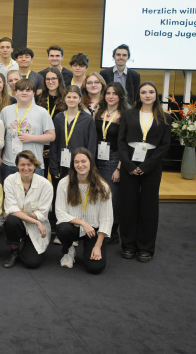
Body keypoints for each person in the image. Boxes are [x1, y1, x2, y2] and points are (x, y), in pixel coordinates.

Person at [117, 81, 171, 262]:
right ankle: (128, 244)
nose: (147, 95)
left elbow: (164, 146)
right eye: (143, 92)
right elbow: (121, 141)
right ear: (138, 95)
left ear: (156, 95)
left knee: (149, 207)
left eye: (151, 92)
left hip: (152, 164)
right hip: (129, 163)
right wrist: (129, 165)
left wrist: (146, 166)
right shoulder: (128, 114)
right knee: (128, 205)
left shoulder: (164, 116)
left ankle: (145, 247)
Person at [55, 148, 112, 273]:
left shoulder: (103, 186)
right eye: (76, 162)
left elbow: (107, 219)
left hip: (93, 230)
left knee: (95, 268)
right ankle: (69, 249)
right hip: (73, 226)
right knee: (62, 228)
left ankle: (92, 247)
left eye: (83, 161)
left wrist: (98, 246)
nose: (80, 165)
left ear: (90, 163)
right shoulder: (64, 184)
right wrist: (83, 223)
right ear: (72, 165)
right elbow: (60, 213)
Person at [2, 151, 53, 268]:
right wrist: (34, 219)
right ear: (17, 166)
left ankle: (27, 244)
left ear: (35, 166)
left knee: (32, 263)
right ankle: (14, 251)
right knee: (11, 220)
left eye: (29, 165)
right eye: (22, 165)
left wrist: (19, 213)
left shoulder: (45, 185)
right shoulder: (9, 180)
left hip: (36, 228)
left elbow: (43, 214)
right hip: (30, 223)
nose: (26, 168)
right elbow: (11, 209)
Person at [0, 79, 55, 182]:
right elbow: (0, 136)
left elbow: (51, 135)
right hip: (9, 164)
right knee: (9, 197)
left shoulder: (42, 112)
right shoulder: (6, 111)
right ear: (15, 92)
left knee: (34, 197)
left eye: (28, 90)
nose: (24, 93)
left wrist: (32, 138)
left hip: (33, 165)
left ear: (33, 93)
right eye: (21, 90)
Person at [95, 83, 128, 242]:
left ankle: (113, 231)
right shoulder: (99, 112)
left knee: (112, 196)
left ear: (120, 96)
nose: (111, 96)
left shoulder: (125, 115)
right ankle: (101, 227)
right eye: (108, 93)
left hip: (114, 159)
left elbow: (126, 143)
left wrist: (119, 168)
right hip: (97, 158)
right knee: (99, 195)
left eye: (115, 93)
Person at [49, 86, 98, 184]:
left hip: (80, 165)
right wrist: (54, 167)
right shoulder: (58, 118)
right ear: (64, 99)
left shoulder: (87, 119)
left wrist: (88, 166)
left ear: (80, 99)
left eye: (75, 97)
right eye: (69, 97)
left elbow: (92, 145)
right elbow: (54, 144)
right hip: (61, 165)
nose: (71, 100)